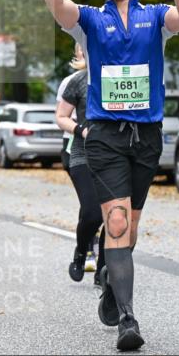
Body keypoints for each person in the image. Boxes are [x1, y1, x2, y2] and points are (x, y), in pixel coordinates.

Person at [40, 0, 179, 351]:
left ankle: (112, 284)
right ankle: (129, 320)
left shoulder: (157, 17)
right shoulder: (91, 20)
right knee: (117, 223)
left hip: (146, 137)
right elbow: (58, 7)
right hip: (105, 136)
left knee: (130, 232)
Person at [55, 44, 106, 284]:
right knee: (92, 212)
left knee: (113, 215)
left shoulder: (119, 75)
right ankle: (81, 249)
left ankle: (103, 268)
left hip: (115, 155)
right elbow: (61, 117)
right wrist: (80, 129)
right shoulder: (76, 81)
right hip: (81, 153)